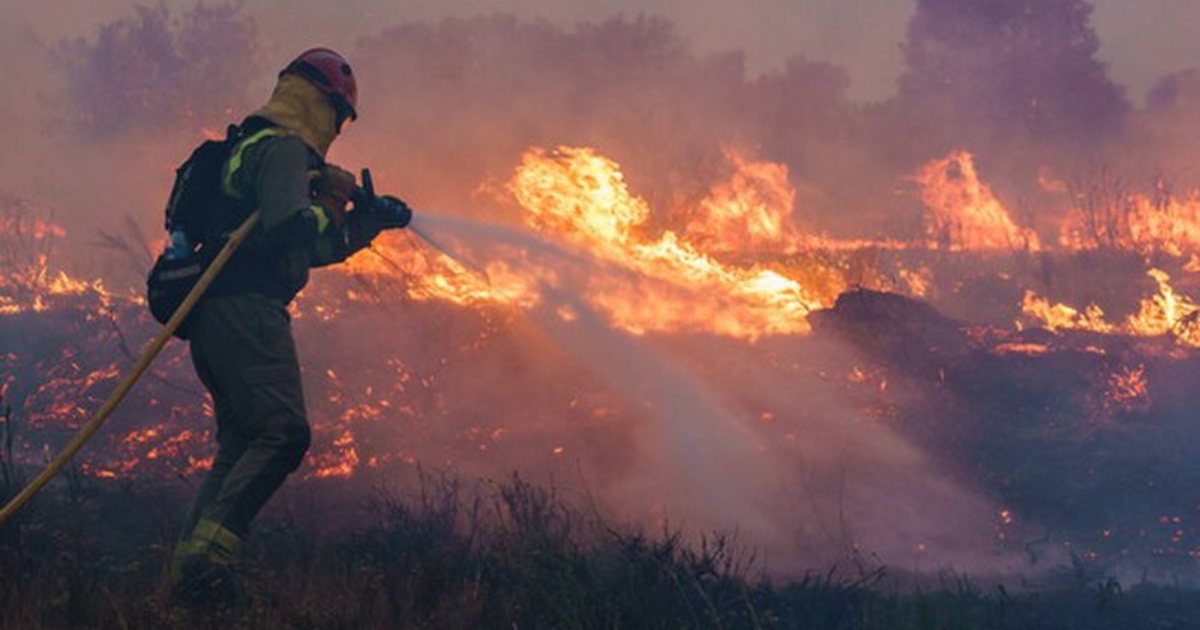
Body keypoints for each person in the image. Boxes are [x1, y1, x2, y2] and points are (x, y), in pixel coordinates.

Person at [169, 47, 402, 603]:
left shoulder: (260, 147)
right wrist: (333, 199)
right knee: (283, 433)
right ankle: (208, 565)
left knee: (242, 442)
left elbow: (309, 247)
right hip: (245, 309)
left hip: (219, 311)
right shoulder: (282, 149)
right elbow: (289, 229)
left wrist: (365, 223)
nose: (338, 131)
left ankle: (185, 576)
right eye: (338, 118)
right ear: (321, 105)